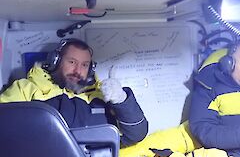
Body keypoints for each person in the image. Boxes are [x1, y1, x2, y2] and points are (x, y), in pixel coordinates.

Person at [0, 38, 148, 147]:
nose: (78, 71)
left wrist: (121, 100)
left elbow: (135, 135)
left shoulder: (101, 97)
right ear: (56, 61)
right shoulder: (26, 88)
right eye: (72, 62)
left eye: (84, 65)